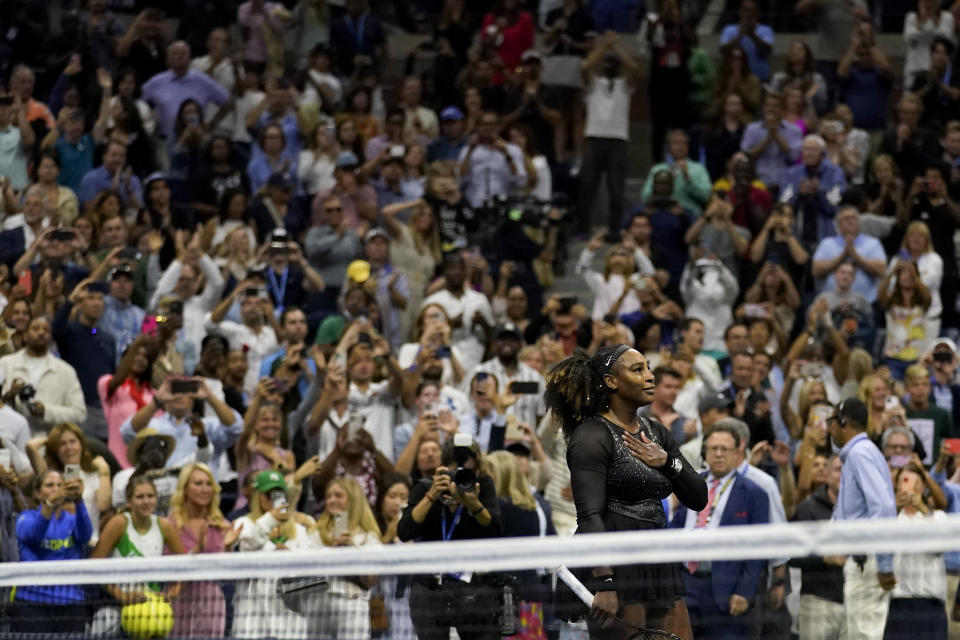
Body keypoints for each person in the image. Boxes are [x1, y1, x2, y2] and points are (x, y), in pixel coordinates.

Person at [544, 344, 707, 639]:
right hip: (614, 559)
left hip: (657, 552)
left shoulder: (657, 432)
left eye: (648, 367)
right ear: (611, 382)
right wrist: (604, 581)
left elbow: (698, 498)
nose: (650, 376)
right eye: (638, 369)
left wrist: (668, 462)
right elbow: (589, 515)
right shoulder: (591, 435)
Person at [670, 422, 770, 640]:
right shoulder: (690, 485)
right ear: (704, 452)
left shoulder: (754, 493)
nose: (718, 454)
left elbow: (759, 549)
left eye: (725, 449)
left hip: (726, 589)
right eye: (713, 448)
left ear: (737, 454)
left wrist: (744, 592)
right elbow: (675, 528)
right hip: (685, 585)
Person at [398, 434, 503, 640]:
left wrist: (473, 504)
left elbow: (496, 530)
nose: (459, 477)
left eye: (466, 470)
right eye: (454, 470)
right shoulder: (425, 487)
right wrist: (432, 495)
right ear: (444, 467)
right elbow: (404, 532)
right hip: (430, 585)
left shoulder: (482, 486)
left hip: (474, 587)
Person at [826, 398, 898, 639]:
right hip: (862, 559)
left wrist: (885, 563)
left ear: (842, 422)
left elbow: (884, 506)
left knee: (864, 635)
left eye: (831, 421)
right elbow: (850, 509)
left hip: (868, 560)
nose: (829, 429)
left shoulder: (860, 454)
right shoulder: (857, 454)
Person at [89, 475, 185, 636]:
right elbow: (93, 566)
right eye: (140, 497)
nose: (146, 501)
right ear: (129, 501)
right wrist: (122, 595)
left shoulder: (165, 526)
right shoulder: (118, 523)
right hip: (114, 608)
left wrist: (174, 591)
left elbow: (186, 565)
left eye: (150, 496)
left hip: (152, 609)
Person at [231, 469, 315, 639]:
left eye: (279, 494)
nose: (274, 499)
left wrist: (288, 556)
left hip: (290, 624)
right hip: (252, 622)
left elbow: (313, 576)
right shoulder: (243, 524)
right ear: (258, 496)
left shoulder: (299, 530)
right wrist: (270, 519)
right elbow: (248, 546)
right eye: (268, 494)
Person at [11, 469, 91, 634]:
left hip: (70, 601)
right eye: (49, 485)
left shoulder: (72, 519)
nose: (56, 489)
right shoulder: (25, 518)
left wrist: (79, 501)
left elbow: (85, 536)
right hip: (32, 603)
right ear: (37, 493)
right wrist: (49, 505)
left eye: (60, 485)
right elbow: (35, 534)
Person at [576, 30, 637, 240]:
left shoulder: (625, 86)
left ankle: (613, 230)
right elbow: (585, 67)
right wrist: (604, 48)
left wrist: (616, 48)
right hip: (594, 137)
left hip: (618, 139)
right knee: (587, 186)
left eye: (614, 63)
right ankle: (583, 228)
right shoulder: (594, 84)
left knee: (616, 189)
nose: (610, 65)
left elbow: (633, 68)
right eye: (607, 62)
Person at [304, 477, 382, 639]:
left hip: (353, 603)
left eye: (338, 495)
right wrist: (332, 550)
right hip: (319, 603)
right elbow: (306, 576)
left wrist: (353, 551)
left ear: (353, 499)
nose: (332, 500)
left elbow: (370, 581)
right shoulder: (315, 535)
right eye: (329, 496)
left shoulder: (368, 538)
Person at [166, 462, 238, 637]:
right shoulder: (170, 525)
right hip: (178, 598)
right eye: (198, 483)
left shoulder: (222, 526)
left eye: (208, 484)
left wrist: (228, 548)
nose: (205, 489)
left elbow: (227, 576)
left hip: (211, 601)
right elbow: (167, 568)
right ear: (185, 489)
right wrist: (196, 551)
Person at [120, 376, 243, 477]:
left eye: (184, 390)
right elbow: (127, 433)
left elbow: (236, 428)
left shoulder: (208, 425)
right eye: (174, 389)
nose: (179, 395)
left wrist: (210, 397)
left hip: (202, 496)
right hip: (160, 496)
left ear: (193, 395)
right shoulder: (152, 425)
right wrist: (157, 400)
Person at [885, 462, 949, 640]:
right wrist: (893, 508)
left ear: (922, 487)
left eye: (914, 483)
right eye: (903, 482)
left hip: (930, 603)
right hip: (898, 603)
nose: (908, 488)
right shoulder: (889, 520)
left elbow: (940, 546)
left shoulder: (937, 517)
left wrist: (922, 508)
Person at [790, 454, 846, 640]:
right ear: (828, 474)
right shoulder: (808, 508)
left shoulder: (863, 511)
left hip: (856, 603)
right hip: (817, 602)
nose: (844, 475)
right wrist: (823, 557)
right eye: (838, 470)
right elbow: (791, 554)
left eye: (849, 470)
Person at [27, 422, 111, 545]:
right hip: (57, 543)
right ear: (55, 450)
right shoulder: (51, 476)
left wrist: (105, 472)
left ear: (81, 444)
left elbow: (103, 505)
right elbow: (31, 446)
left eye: (73, 441)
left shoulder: (94, 474)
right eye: (62, 444)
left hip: (89, 542)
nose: (68, 448)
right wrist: (51, 441)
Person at [0, 316, 87, 435]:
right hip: (9, 437)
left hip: (49, 441)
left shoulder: (66, 371)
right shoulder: (6, 364)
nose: (41, 332)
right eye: (35, 329)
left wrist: (46, 411)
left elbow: (79, 413)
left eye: (46, 330)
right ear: (25, 334)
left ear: (51, 336)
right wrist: (10, 394)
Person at [811, 205, 887, 303]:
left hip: (866, 303)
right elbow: (816, 270)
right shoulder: (827, 243)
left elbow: (881, 270)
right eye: (846, 218)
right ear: (838, 224)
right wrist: (843, 256)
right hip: (831, 303)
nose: (851, 221)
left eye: (854, 218)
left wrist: (856, 257)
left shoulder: (872, 243)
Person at [457, 111, 527, 209]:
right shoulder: (468, 150)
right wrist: (470, 151)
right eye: (484, 124)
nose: (488, 128)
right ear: (478, 127)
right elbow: (460, 178)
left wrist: (506, 154)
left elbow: (520, 181)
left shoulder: (513, 150)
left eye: (492, 124)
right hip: (475, 204)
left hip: (503, 206)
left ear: (499, 126)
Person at [740, 93, 803, 189]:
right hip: (758, 182)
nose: (771, 109)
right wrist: (768, 137)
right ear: (763, 108)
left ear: (782, 109)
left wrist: (776, 134)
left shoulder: (794, 130)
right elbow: (747, 155)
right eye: (768, 105)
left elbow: (793, 157)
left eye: (775, 106)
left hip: (785, 182)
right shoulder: (752, 129)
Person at [719, 0, 774, 81]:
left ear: (757, 13)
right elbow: (723, 52)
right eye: (745, 10)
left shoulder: (766, 30)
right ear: (740, 12)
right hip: (735, 78)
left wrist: (753, 35)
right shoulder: (729, 29)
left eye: (752, 11)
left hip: (760, 78)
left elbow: (767, 52)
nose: (749, 14)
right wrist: (739, 36)